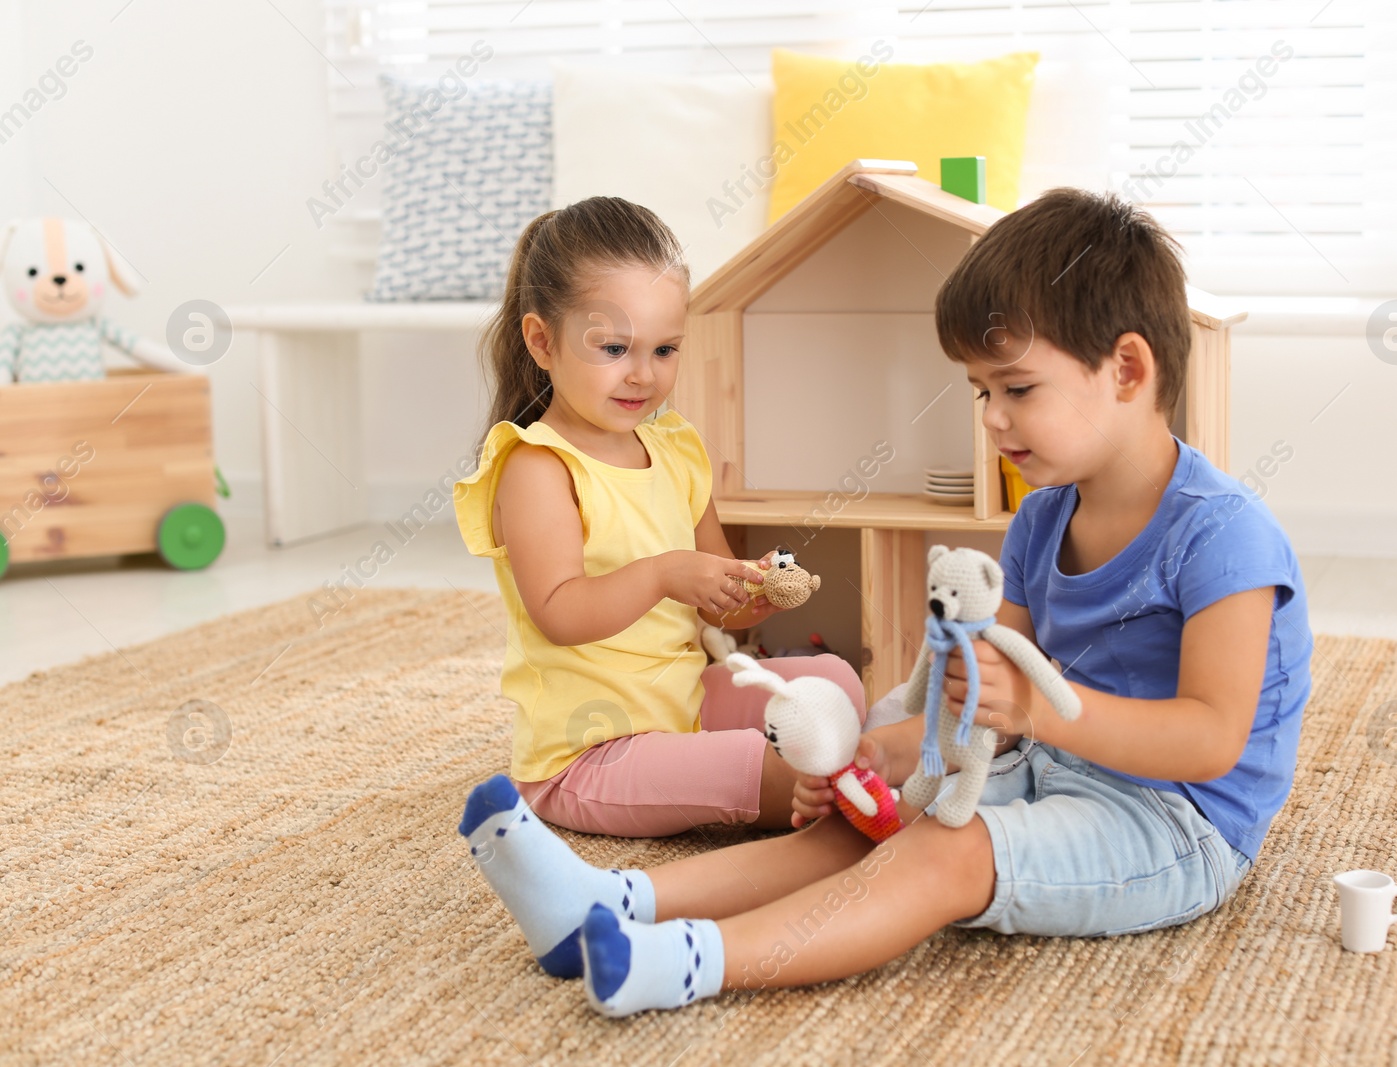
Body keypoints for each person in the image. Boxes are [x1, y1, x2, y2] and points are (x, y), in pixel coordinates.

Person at [457, 188, 1313, 1016]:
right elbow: (986, 703)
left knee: (941, 851)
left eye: (1016, 389)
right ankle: (610, 901)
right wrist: (877, 751)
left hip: (1177, 819)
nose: (992, 419)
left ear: (1127, 368)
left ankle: (687, 964)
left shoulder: (1223, 536)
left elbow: (1210, 740)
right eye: (982, 392)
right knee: (868, 819)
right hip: (1057, 766)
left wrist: (1043, 712)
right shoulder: (1045, 516)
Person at [450, 197, 867, 962]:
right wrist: (672, 571)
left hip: (682, 700)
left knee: (836, 683)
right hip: (592, 751)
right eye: (615, 348)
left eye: (666, 349)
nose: (645, 374)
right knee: (792, 772)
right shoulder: (537, 467)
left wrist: (750, 586)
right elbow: (559, 612)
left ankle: (837, 774)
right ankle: (819, 812)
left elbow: (722, 610)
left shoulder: (673, 448)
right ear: (542, 341)